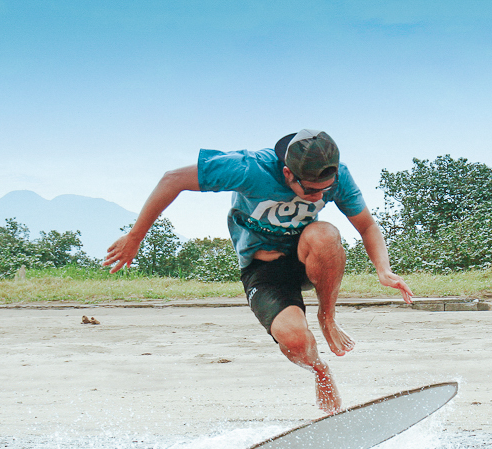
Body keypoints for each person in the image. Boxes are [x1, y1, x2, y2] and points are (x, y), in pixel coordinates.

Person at [104, 129, 414, 414]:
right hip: (263, 268)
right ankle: (320, 370)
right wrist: (135, 237)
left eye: (326, 190)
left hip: (305, 256)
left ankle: (327, 317)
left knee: (325, 234)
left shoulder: (338, 176)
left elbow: (367, 226)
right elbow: (173, 179)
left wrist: (383, 269)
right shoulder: (249, 168)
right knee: (295, 341)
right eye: (310, 190)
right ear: (287, 173)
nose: (319, 197)